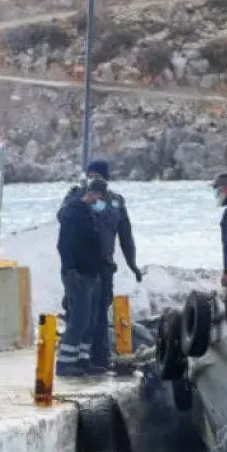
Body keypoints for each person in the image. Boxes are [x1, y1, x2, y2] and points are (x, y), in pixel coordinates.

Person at [61, 160, 142, 373]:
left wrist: (132, 264)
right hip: (79, 267)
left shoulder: (115, 201)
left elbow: (126, 234)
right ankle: (70, 360)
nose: (95, 178)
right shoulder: (76, 198)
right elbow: (64, 220)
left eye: (99, 175)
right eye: (92, 174)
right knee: (77, 313)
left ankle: (95, 358)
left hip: (104, 266)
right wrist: (83, 199)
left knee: (98, 313)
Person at [56, 180, 105, 376]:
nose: (100, 201)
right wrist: (70, 269)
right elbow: (64, 244)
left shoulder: (89, 214)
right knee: (79, 319)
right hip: (79, 274)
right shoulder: (73, 214)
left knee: (90, 320)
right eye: (99, 196)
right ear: (92, 194)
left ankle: (83, 360)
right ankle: (65, 362)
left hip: (92, 273)